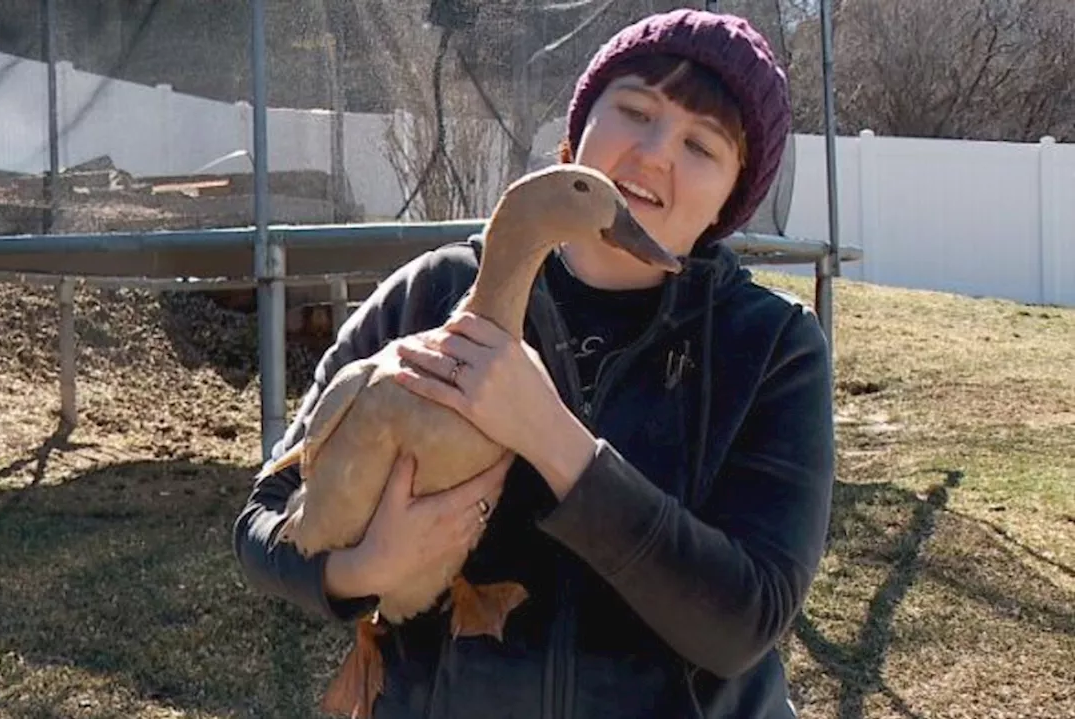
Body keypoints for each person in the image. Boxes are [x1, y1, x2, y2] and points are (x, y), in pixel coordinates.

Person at [233, 8, 834, 718]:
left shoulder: (771, 347)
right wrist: (359, 571)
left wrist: (551, 435)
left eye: (701, 146)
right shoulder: (434, 291)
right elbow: (262, 519)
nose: (655, 152)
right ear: (574, 137)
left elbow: (743, 625)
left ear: (730, 199)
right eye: (636, 109)